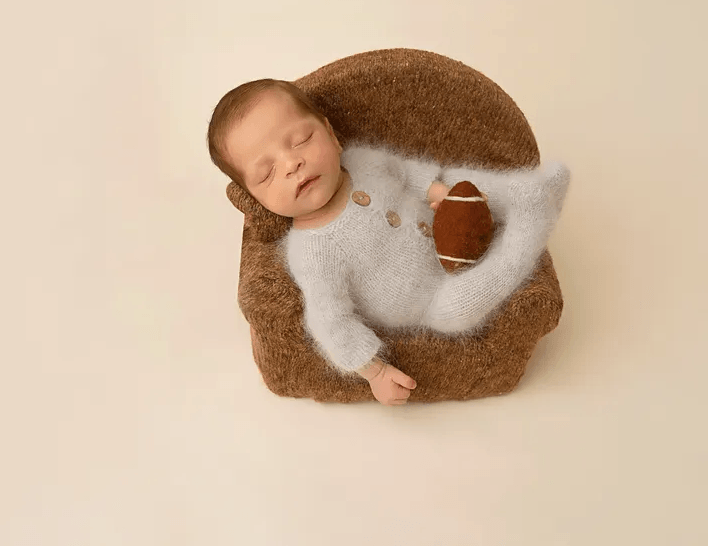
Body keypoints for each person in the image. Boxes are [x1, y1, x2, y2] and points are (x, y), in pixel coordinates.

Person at [207, 79, 569, 406]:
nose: (291, 163)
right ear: (256, 197)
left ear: (331, 134)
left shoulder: (362, 161)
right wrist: (375, 373)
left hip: (447, 223)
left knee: (460, 183)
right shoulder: (312, 253)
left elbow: (406, 173)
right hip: (431, 297)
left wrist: (436, 191)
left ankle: (522, 190)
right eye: (266, 173)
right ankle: (528, 226)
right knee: (458, 312)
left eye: (301, 140)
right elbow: (331, 321)